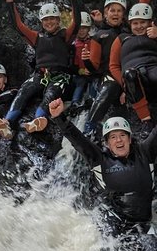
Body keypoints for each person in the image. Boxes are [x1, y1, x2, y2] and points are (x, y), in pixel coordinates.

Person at [49, 98, 157, 235]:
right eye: (113, 137)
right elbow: (79, 141)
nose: (119, 140)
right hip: (115, 225)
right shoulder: (100, 159)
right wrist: (59, 117)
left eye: (123, 135)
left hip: (143, 223)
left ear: (129, 139)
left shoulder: (145, 152)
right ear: (107, 143)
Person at [82, 0, 157, 138]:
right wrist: (87, 62)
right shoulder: (99, 35)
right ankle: (90, 126)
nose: (115, 14)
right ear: (105, 13)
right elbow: (95, 66)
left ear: (125, 15)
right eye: (111, 10)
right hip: (113, 75)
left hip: (136, 72)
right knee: (110, 86)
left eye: (119, 11)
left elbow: (143, 4)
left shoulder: (129, 31)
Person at [0, 0, 80, 138]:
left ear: (58, 20)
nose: (49, 22)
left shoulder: (64, 35)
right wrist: (10, 3)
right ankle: (7, 122)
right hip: (40, 74)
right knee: (24, 90)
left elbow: (77, 23)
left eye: (52, 19)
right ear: (41, 22)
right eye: (46, 20)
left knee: (51, 93)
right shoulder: (37, 38)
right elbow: (18, 26)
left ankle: (38, 119)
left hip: (60, 76)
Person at [109, 3, 157, 124]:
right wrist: (125, 86)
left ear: (150, 23)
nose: (139, 26)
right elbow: (113, 66)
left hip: (153, 69)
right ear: (130, 24)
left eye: (143, 22)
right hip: (133, 75)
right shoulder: (121, 38)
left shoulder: (153, 34)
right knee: (130, 75)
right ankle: (146, 121)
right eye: (135, 23)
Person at [68, 12, 98, 114]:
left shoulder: (94, 42)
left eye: (84, 28)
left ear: (88, 29)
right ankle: (75, 103)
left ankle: (92, 100)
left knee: (94, 81)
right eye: (79, 28)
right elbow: (70, 65)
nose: (81, 31)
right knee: (81, 82)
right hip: (78, 74)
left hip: (92, 72)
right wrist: (80, 71)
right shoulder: (72, 45)